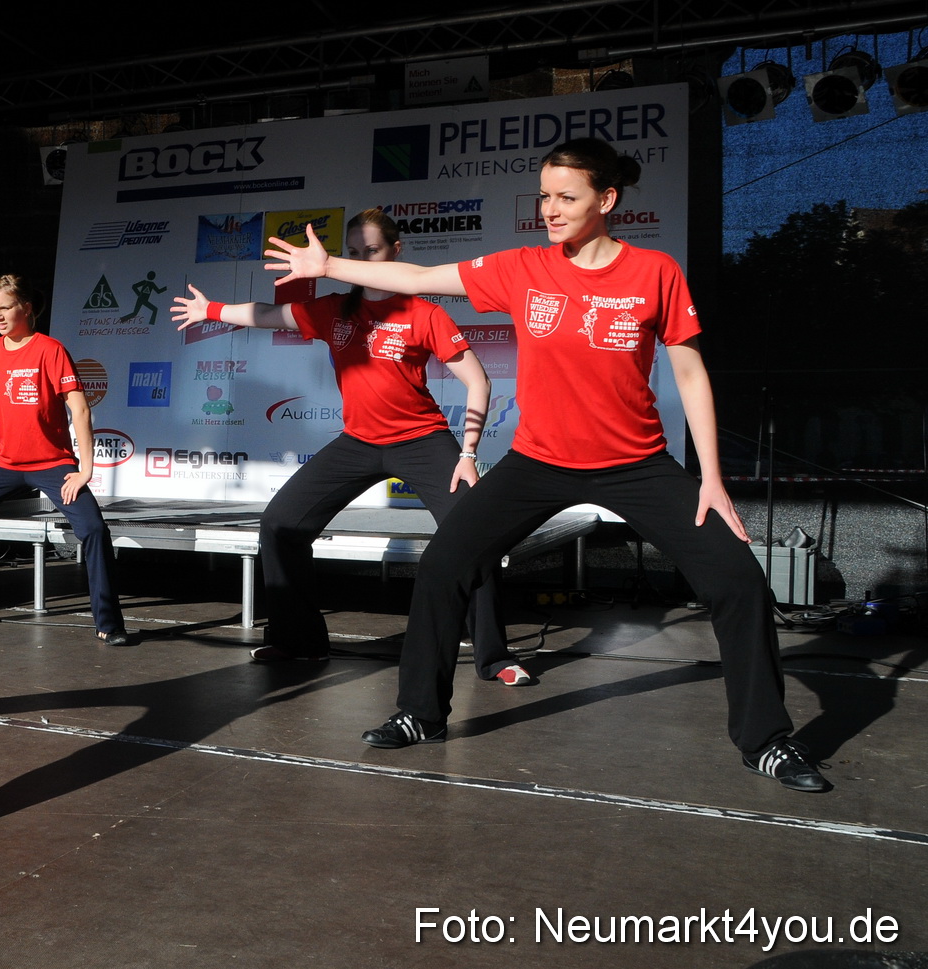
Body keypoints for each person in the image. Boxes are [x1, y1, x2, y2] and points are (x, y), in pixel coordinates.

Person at [265, 138, 828, 792]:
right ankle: (419, 713)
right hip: (537, 461)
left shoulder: (654, 272)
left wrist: (709, 476)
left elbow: (689, 371)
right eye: (543, 196)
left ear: (605, 199)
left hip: (635, 463)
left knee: (737, 578)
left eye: (566, 196)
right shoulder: (523, 267)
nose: (550, 209)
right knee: (444, 563)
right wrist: (329, 262)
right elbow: (419, 279)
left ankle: (764, 739)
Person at [171, 209, 529, 683]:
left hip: (422, 440)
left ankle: (494, 657)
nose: (361, 261)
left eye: (372, 252)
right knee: (281, 525)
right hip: (359, 442)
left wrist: (467, 453)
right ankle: (299, 641)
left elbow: (478, 381)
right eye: (354, 253)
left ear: (395, 253)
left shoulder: (425, 313)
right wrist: (210, 310)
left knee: (472, 535)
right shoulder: (335, 308)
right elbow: (267, 315)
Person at [0, 275, 134, 645]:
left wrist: (86, 469)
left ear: (26, 308)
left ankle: (109, 624)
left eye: (5, 307)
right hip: (4, 463)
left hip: (53, 464)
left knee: (95, 531)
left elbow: (80, 410)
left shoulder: (50, 350)